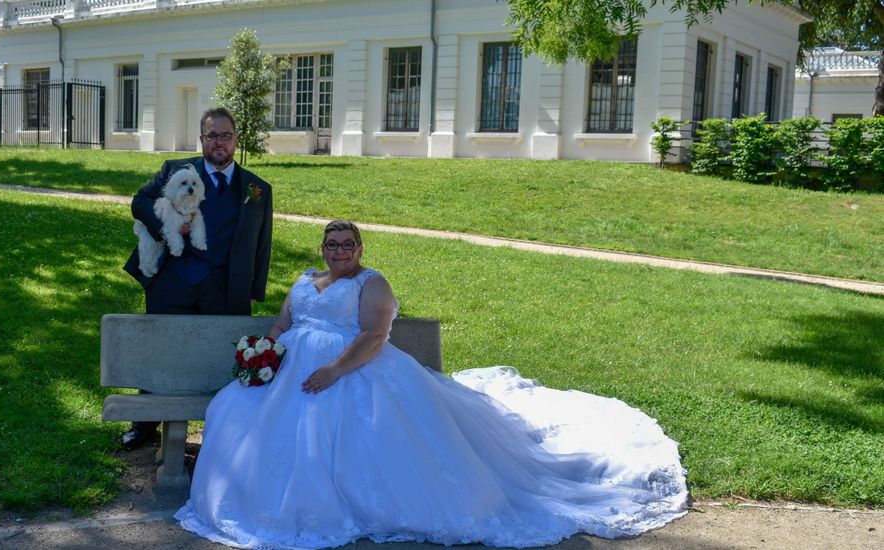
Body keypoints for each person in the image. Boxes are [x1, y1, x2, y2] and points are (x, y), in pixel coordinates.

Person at [175, 220, 688, 548]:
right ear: (323, 247)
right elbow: (284, 324)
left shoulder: (371, 283)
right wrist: (265, 353)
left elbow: (375, 335)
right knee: (231, 409)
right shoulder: (306, 279)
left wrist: (335, 371)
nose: (339, 251)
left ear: (359, 248)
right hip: (289, 374)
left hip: (352, 373)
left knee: (360, 438)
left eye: (347, 244)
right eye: (332, 244)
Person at [121, 107, 273, 448]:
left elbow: (262, 243)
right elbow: (139, 202)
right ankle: (145, 423)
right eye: (211, 136)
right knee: (160, 350)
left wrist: (252, 290)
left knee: (222, 358)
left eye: (225, 135)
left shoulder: (257, 188)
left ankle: (225, 430)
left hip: (223, 286)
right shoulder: (175, 171)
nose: (218, 142)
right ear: (201, 139)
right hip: (173, 278)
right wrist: (164, 229)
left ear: (235, 139)